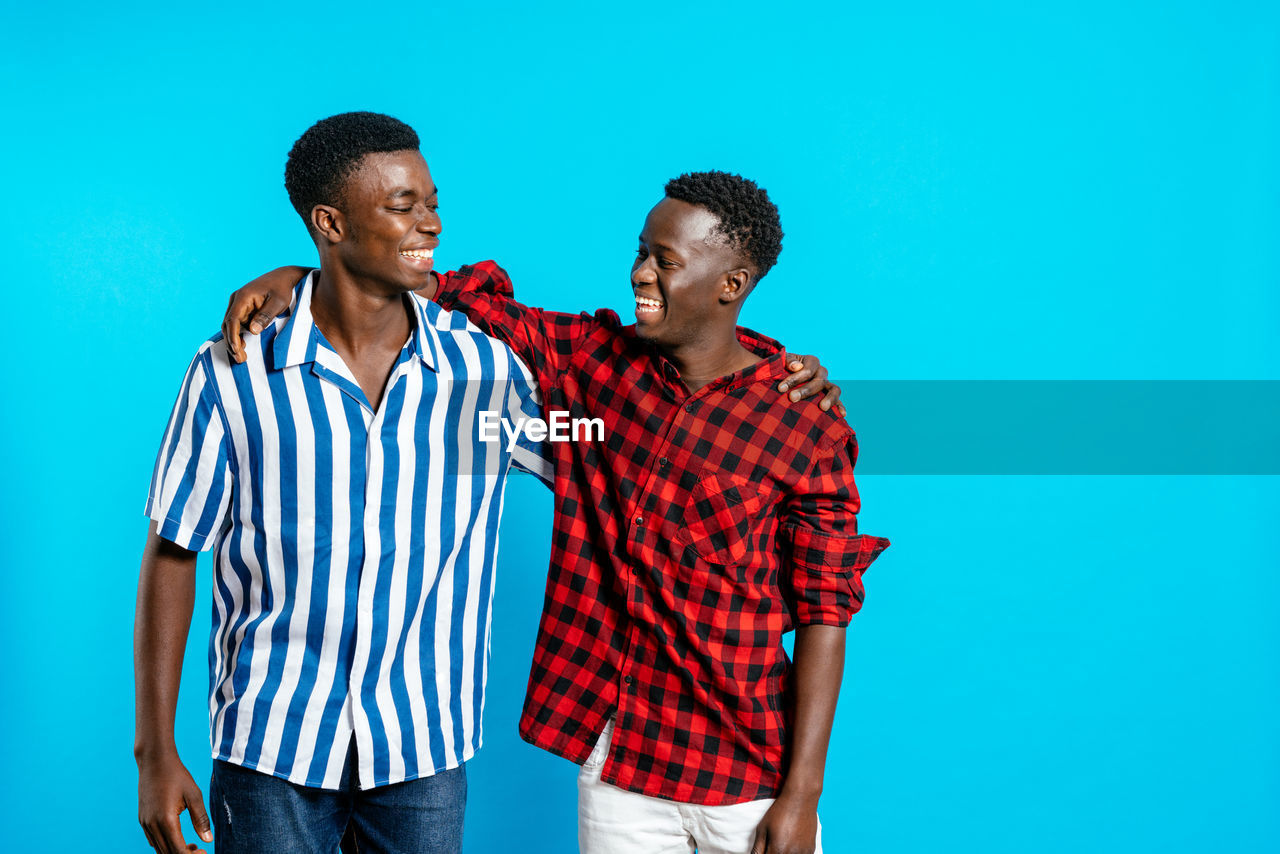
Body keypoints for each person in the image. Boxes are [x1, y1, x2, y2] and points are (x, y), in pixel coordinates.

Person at [225, 170, 888, 854]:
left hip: (747, 773)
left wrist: (802, 795)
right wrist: (308, 278)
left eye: (665, 262)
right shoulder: (595, 376)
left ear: (733, 284)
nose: (640, 275)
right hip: (621, 768)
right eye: (641, 252)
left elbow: (823, 617)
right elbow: (464, 299)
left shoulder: (802, 424)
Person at [134, 112, 551, 854]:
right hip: (271, 742)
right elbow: (174, 552)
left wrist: (791, 385)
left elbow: (617, 438)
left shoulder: (480, 377)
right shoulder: (236, 373)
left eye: (431, 200)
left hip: (421, 745)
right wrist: (156, 752)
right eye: (403, 206)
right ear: (329, 222)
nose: (432, 222)